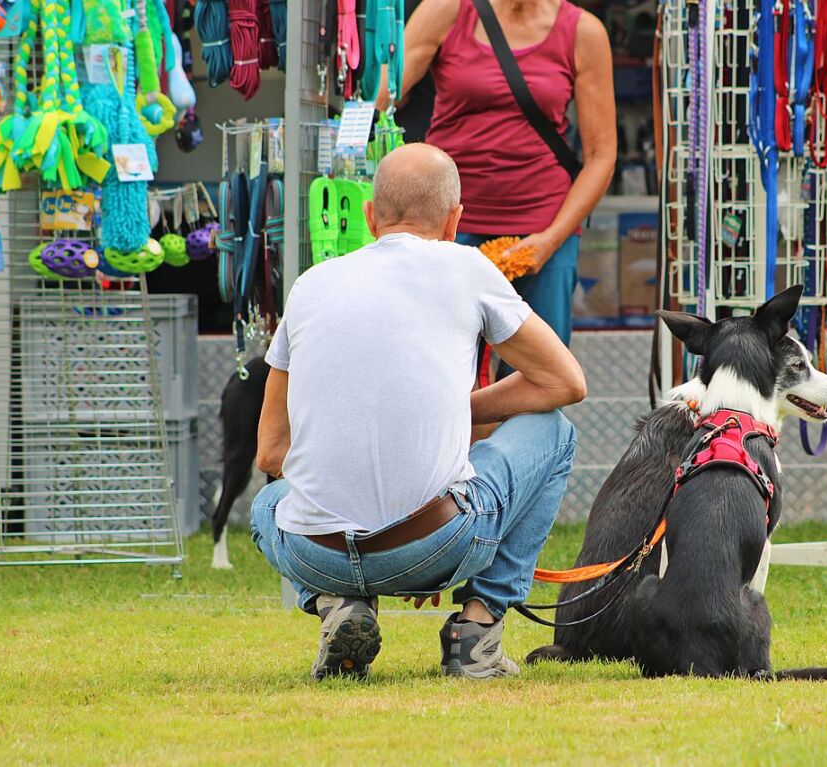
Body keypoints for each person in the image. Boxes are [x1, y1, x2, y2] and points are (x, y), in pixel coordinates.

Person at [250, 144, 586, 680]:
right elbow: (566, 382)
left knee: (268, 505)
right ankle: (477, 630)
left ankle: (340, 605)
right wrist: (459, 414)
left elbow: (270, 451)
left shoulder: (309, 284)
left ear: (368, 217)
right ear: (456, 220)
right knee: (555, 432)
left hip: (317, 556)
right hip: (436, 542)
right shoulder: (467, 267)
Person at [382, 0, 616, 373]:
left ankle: (509, 434)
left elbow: (601, 155)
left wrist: (551, 239)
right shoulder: (447, 9)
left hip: (543, 226)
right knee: (436, 366)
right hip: (447, 222)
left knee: (538, 379)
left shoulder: (583, 31)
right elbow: (379, 97)